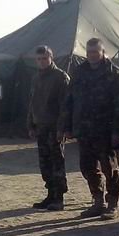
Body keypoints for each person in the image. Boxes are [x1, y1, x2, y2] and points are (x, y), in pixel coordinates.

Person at [62, 38, 119, 220]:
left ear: (103, 52)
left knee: (109, 168)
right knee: (88, 167)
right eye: (89, 52)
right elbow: (70, 100)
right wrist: (67, 126)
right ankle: (98, 201)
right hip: (84, 129)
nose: (92, 55)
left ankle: (112, 202)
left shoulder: (114, 74)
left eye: (95, 52)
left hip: (105, 129)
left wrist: (118, 132)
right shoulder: (79, 72)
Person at [26, 45, 69, 211]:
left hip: (55, 126)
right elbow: (32, 103)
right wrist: (30, 124)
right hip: (41, 126)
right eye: (39, 59)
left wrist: (62, 128)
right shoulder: (36, 78)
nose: (42, 62)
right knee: (45, 163)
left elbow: (65, 105)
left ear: (51, 58)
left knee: (57, 161)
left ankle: (59, 197)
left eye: (44, 58)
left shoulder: (60, 77)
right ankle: (50, 194)